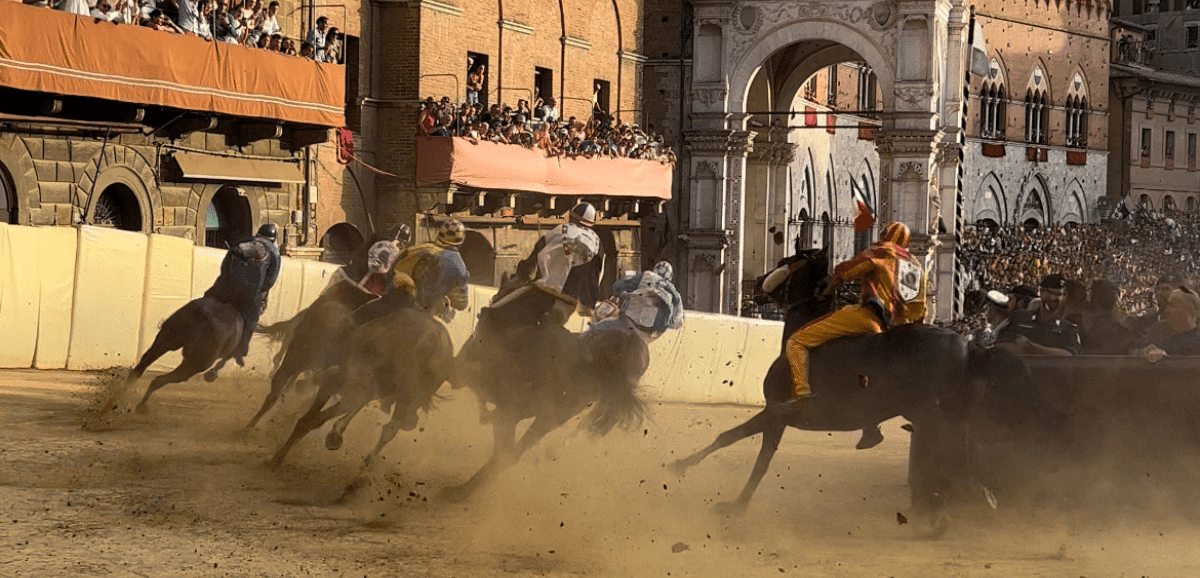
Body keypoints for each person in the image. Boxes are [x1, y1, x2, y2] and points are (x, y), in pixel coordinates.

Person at [780, 222, 926, 450]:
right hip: (897, 332)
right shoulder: (916, 266)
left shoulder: (881, 251)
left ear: (885, 235)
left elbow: (847, 270)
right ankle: (872, 427)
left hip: (867, 318)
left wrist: (833, 284)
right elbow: (920, 308)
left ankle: (802, 398)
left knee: (796, 341)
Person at [202, 224, 281, 363]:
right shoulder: (270, 251)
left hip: (227, 286)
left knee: (209, 297)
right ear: (273, 238)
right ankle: (241, 350)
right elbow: (269, 281)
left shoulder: (246, 243)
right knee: (252, 317)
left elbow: (229, 259)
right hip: (249, 293)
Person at [515, 202, 604, 312]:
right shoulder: (598, 243)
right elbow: (600, 275)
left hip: (557, 301)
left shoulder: (561, 230)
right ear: (592, 224)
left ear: (571, 217)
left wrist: (523, 273)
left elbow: (536, 253)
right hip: (587, 305)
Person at [391, 219, 471, 322]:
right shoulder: (458, 265)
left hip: (394, 301)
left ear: (438, 234)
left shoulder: (418, 248)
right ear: (461, 240)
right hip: (424, 314)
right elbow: (460, 304)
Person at [594, 261, 683, 341]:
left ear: (654, 270)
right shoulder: (673, 291)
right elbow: (677, 322)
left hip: (632, 321)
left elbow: (617, 287)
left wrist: (622, 294)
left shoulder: (646, 276)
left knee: (603, 325)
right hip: (653, 329)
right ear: (670, 277)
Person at [995, 274, 1082, 356]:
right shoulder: (1019, 317)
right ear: (1042, 292)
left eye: (1061, 294)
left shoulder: (1068, 328)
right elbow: (1000, 344)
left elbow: (1070, 355)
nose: (1057, 298)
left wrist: (1032, 348)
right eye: (1053, 293)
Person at [1130, 288, 1200, 359]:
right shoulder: (1159, 329)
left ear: (1191, 310)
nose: (1167, 310)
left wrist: (1166, 359)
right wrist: (1144, 352)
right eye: (1168, 305)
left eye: (1174, 305)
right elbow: (1131, 351)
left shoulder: (1197, 339)